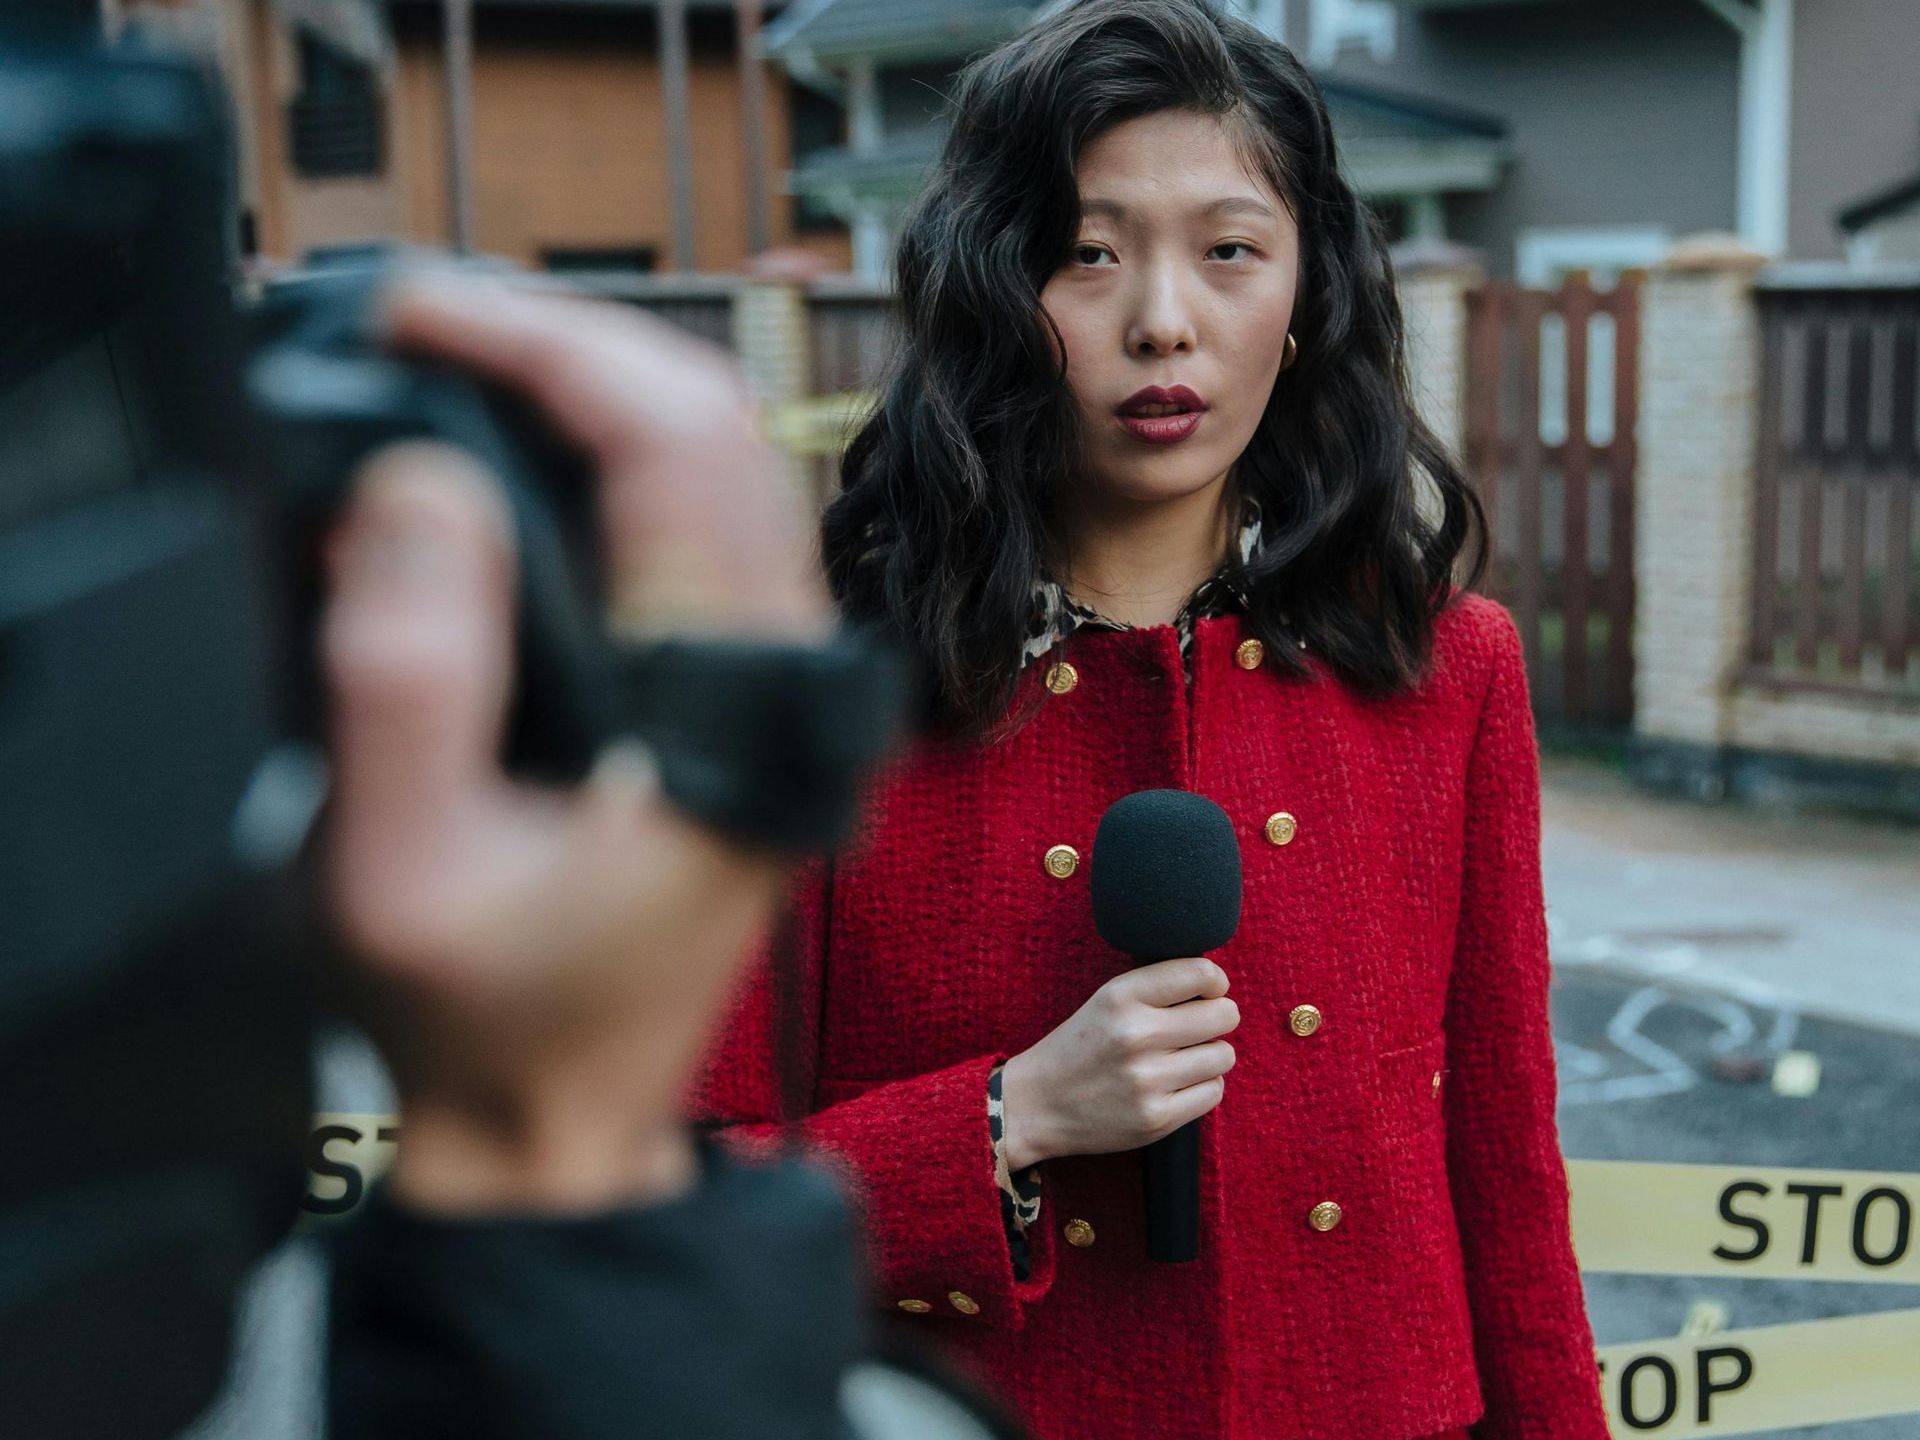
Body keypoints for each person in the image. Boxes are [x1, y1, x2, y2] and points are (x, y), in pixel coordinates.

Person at [691, 3, 1609, 1438]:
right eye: (1088, 252)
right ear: (996, 286)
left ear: (1304, 294)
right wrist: (1008, 1118)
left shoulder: (1449, 674)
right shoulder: (816, 692)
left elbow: (1506, 1172)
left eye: (1230, 249)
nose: (1162, 320)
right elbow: (676, 1204)